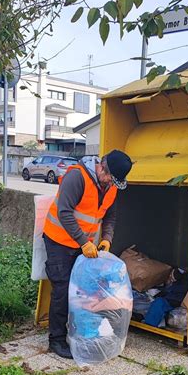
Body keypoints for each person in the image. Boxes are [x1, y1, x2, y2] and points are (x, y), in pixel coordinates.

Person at [43, 150, 133, 358]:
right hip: (58, 240)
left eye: (115, 181)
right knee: (63, 287)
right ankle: (56, 340)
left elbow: (110, 215)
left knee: (83, 290)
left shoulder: (111, 186)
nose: (111, 183)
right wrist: (84, 242)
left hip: (85, 245)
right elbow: (64, 212)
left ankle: (78, 332)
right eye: (110, 177)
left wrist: (106, 239)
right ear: (102, 166)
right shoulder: (77, 177)